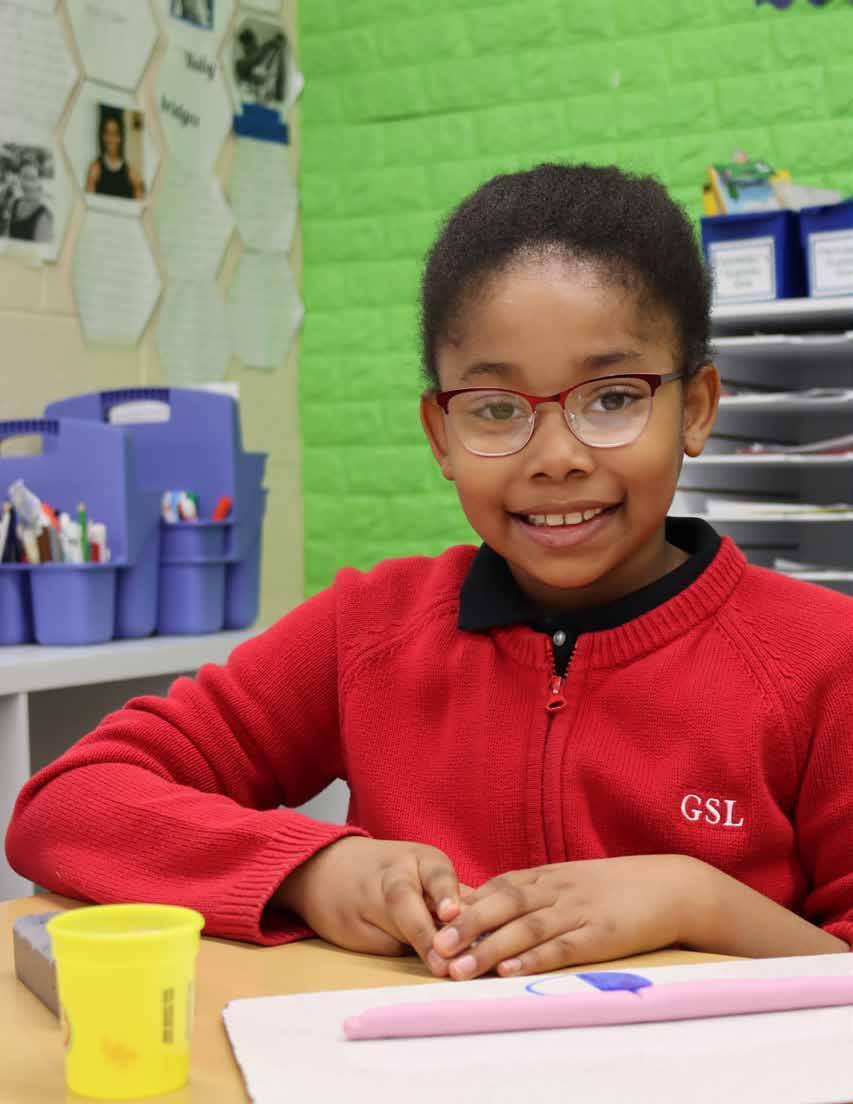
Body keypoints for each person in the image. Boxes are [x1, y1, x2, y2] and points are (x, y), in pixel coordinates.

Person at [5, 164, 852, 979]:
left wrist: (697, 902)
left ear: (694, 409)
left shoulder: (823, 660)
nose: (555, 457)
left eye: (612, 398)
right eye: (495, 408)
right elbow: (68, 805)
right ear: (440, 435)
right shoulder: (367, 629)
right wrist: (312, 869)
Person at [86, 113, 143, 201]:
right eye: (108, 133)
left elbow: (140, 203)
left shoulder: (129, 171)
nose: (111, 137)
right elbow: (88, 203)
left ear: (120, 138)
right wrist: (91, 181)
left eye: (115, 133)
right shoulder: (95, 168)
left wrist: (137, 187)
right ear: (103, 137)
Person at [7, 159, 52, 244]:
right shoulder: (15, 203)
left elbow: (41, 249)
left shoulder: (44, 213)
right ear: (19, 178)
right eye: (24, 177)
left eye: (32, 178)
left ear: (38, 181)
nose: (28, 183)